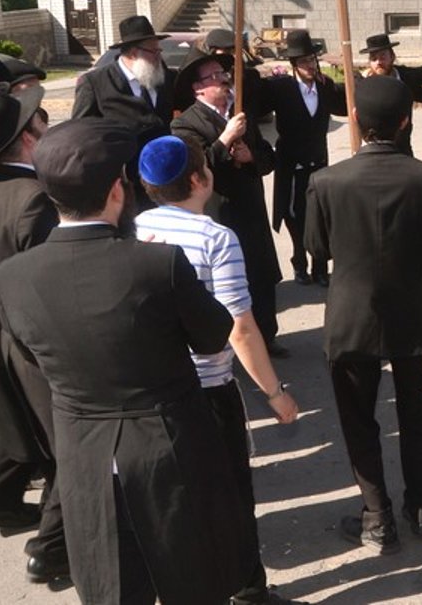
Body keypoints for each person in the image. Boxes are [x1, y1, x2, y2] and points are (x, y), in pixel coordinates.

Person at [0, 118, 253, 605]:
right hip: (168, 445)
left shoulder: (12, 276)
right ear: (118, 189)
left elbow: (30, 353)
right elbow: (215, 337)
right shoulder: (159, 263)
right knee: (193, 577)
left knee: (111, 584)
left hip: (83, 450)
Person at [134, 136, 302, 605]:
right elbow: (240, 327)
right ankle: (248, 590)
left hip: (156, 390)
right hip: (208, 389)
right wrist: (275, 392)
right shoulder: (215, 237)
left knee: (179, 500)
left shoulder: (136, 229)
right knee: (231, 498)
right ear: (197, 179)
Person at [305, 76, 422, 554]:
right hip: (410, 309)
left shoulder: (326, 181)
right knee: (415, 411)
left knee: (359, 419)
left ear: (358, 122)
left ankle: (377, 515)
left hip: (351, 315)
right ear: (405, 121)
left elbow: (316, 249)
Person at [0, 82, 70, 584]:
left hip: (9, 336)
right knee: (71, 449)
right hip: (42, 346)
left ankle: (41, 526)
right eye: (39, 120)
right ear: (29, 137)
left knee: (48, 447)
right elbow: (50, 284)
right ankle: (49, 551)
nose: (45, 125)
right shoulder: (33, 200)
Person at [171, 52, 286, 357]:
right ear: (198, 88)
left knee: (259, 274)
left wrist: (252, 157)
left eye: (224, 74)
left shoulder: (240, 112)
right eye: (215, 77)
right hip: (220, 213)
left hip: (251, 208)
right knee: (227, 282)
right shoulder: (186, 124)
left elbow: (267, 157)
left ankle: (267, 336)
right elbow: (196, 169)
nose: (224, 80)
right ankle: (231, 342)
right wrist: (224, 141)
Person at [258, 29, 347, 286]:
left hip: (318, 161)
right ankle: (300, 262)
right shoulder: (281, 88)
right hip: (291, 162)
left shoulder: (325, 86)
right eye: (303, 61)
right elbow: (255, 99)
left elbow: (345, 104)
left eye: (312, 60)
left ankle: (321, 267)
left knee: (319, 215)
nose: (310, 66)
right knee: (293, 215)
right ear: (293, 65)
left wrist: (349, 73)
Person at [71, 14, 175, 151]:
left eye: (159, 50)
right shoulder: (95, 83)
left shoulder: (165, 77)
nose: (159, 56)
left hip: (163, 164)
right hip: (121, 167)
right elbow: (81, 132)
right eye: (154, 51)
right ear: (133, 53)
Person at [361, 32, 422, 157]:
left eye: (382, 56)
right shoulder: (364, 84)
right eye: (374, 58)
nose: (378, 62)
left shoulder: (405, 77)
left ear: (392, 56)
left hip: (403, 149)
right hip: (375, 151)